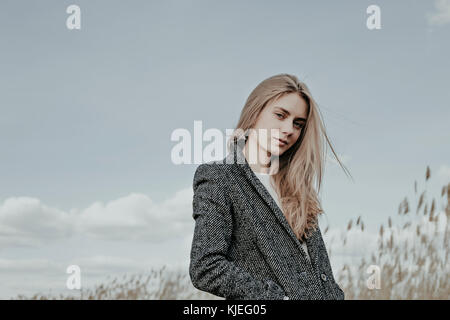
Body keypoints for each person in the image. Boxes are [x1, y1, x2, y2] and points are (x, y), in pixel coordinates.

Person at [189, 73, 351, 300]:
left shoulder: (298, 187)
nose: (288, 129)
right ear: (255, 112)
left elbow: (321, 272)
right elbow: (206, 267)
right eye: (280, 115)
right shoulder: (220, 177)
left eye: (298, 124)